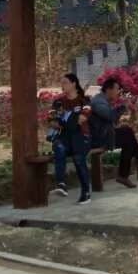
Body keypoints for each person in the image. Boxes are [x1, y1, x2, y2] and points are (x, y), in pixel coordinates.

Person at [89, 77, 138, 189]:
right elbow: (110, 116)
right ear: (108, 89)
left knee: (127, 134)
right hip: (97, 139)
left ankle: (127, 171)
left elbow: (110, 121)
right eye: (117, 89)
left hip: (104, 135)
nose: (118, 92)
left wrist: (127, 113)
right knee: (127, 134)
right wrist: (124, 106)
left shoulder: (104, 100)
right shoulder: (98, 101)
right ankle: (137, 161)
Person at [49, 73, 92, 204]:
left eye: (65, 82)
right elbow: (52, 121)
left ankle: (86, 192)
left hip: (81, 136)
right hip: (64, 137)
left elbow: (82, 119)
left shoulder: (84, 100)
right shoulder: (58, 102)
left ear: (74, 84)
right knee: (58, 146)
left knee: (78, 158)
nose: (62, 85)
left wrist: (63, 119)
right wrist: (70, 118)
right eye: (61, 83)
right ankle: (61, 184)